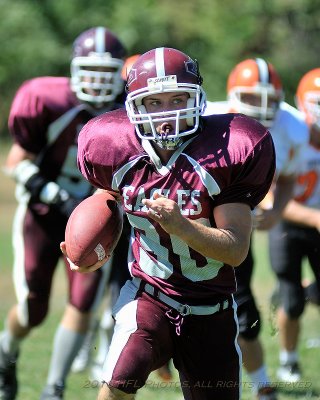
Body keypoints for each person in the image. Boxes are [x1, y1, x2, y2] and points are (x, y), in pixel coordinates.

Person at [61, 47, 276, 400]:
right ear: (134, 107)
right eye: (155, 102)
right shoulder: (112, 147)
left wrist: (183, 226)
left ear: (198, 99)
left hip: (212, 307)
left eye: (178, 99)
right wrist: (88, 249)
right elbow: (107, 204)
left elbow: (236, 249)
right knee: (117, 385)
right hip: (149, 294)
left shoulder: (227, 150)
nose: (167, 113)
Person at [0, 26, 127, 400]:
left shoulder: (128, 108)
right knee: (33, 308)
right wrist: (52, 192)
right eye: (90, 70)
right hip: (42, 213)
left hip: (97, 214)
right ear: (74, 68)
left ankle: (53, 389)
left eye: (107, 73)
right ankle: (6, 351)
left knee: (83, 301)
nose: (98, 81)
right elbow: (16, 160)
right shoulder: (46, 98)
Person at [205, 58, 309, 399]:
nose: (262, 107)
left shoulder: (292, 126)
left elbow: (290, 175)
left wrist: (277, 210)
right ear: (233, 95)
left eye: (269, 99)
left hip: (235, 231)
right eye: (252, 97)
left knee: (242, 308)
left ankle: (262, 386)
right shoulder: (208, 120)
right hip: (197, 223)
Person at [269, 67, 320, 383]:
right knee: (291, 300)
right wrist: (314, 217)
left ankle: (307, 291)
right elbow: (272, 197)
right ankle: (288, 360)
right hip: (288, 224)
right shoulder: (289, 133)